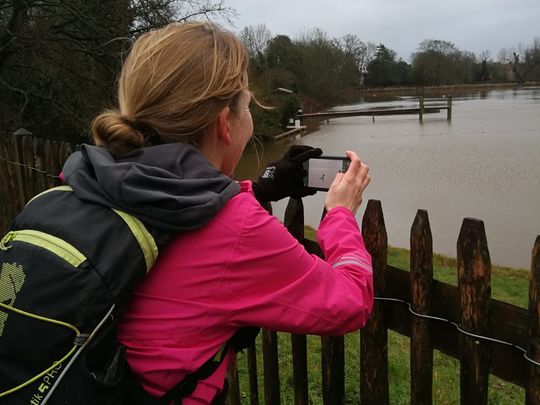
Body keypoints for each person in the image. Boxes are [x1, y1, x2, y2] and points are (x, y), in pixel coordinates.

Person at [64, 21, 373, 404]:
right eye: (247, 104)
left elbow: (184, 223)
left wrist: (263, 189)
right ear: (224, 124)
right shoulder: (235, 229)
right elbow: (349, 302)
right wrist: (340, 214)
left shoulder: (86, 183)